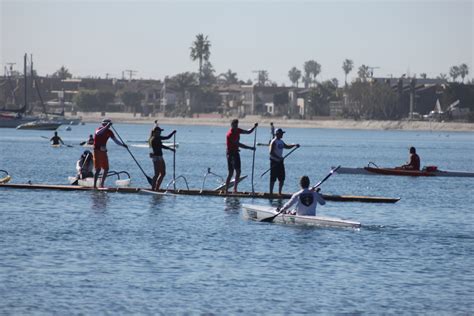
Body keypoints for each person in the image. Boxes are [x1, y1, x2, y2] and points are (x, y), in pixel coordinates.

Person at [224, 119, 258, 193]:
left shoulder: (238, 130)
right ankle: (226, 190)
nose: (236, 127)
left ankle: (235, 189)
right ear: (232, 125)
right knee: (231, 172)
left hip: (236, 153)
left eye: (237, 125)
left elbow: (248, 132)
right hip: (230, 154)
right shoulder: (230, 134)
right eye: (234, 125)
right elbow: (238, 144)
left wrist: (254, 127)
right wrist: (250, 148)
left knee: (238, 171)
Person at [93, 119, 127, 188]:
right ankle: (94, 186)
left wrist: (123, 145)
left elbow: (116, 141)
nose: (108, 126)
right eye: (107, 125)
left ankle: (102, 184)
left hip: (103, 151)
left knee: (106, 169)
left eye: (109, 125)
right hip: (97, 151)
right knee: (98, 169)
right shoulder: (99, 129)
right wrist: (107, 126)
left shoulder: (109, 132)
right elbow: (98, 133)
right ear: (104, 124)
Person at [269, 128, 299, 195]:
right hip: (274, 161)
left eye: (282, 133)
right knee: (273, 177)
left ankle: (279, 192)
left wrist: (294, 145)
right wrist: (278, 158)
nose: (282, 134)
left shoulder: (281, 141)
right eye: (281, 133)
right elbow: (271, 153)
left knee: (282, 177)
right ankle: (271, 193)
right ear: (277, 134)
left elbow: (287, 147)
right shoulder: (273, 141)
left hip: (280, 162)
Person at [149, 125, 176, 191]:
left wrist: (173, 133)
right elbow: (161, 146)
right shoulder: (154, 139)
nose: (160, 133)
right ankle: (154, 189)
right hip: (156, 157)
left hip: (160, 157)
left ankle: (156, 188)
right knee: (157, 174)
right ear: (155, 132)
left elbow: (167, 137)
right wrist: (170, 149)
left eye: (160, 132)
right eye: (159, 132)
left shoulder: (157, 137)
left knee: (163, 173)